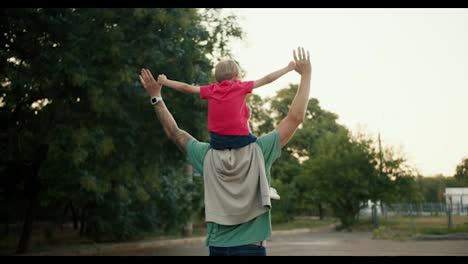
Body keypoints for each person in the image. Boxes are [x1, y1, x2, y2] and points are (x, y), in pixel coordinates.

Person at [138, 47, 311, 256]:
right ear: (245, 116)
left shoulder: (206, 156)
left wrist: (157, 97)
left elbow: (174, 132)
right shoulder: (260, 151)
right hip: (251, 248)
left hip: (217, 247)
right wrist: (306, 76)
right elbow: (296, 117)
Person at [157, 58, 295, 200]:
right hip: (241, 140)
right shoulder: (240, 86)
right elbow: (267, 79)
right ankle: (265, 187)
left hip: (217, 143)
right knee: (260, 153)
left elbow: (186, 88)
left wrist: (166, 82)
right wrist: (287, 68)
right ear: (236, 75)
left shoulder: (211, 89)